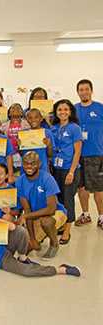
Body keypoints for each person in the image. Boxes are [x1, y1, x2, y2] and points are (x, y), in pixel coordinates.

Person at [0, 197, 81, 278]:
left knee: (21, 231)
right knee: (26, 272)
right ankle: (59, 270)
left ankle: (22, 257)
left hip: (5, 245)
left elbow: (12, 227)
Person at [16, 152, 65, 258]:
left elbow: (51, 209)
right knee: (27, 249)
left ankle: (54, 243)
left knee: (46, 222)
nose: (29, 166)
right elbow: (27, 210)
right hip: (34, 216)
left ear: (39, 164)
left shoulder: (47, 179)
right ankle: (37, 239)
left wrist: (25, 216)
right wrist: (32, 240)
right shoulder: (20, 181)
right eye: (26, 163)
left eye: (33, 163)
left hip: (55, 212)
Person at [51, 99, 82, 243]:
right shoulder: (54, 128)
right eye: (59, 110)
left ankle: (67, 231)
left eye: (65, 109)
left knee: (68, 200)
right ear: (56, 112)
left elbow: (77, 152)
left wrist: (71, 171)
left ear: (70, 112)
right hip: (56, 169)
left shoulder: (74, 128)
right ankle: (62, 225)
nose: (62, 112)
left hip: (69, 170)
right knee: (61, 200)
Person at [74, 79, 103, 229]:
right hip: (77, 155)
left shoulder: (99, 108)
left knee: (98, 188)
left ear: (91, 91)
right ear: (77, 92)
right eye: (81, 89)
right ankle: (86, 214)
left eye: (87, 89)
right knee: (81, 187)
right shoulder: (73, 109)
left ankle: (101, 217)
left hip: (96, 154)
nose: (84, 92)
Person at [21, 108, 55, 172]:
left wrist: (49, 145)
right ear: (26, 119)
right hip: (26, 169)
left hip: (42, 168)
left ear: (41, 118)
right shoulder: (23, 134)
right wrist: (19, 146)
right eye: (30, 118)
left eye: (36, 117)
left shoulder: (47, 132)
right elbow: (22, 154)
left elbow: (50, 155)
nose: (33, 120)